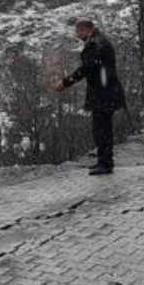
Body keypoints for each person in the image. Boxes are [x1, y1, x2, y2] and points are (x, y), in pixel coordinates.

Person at [54, 19, 126, 175]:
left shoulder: (96, 44)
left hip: (103, 94)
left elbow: (87, 67)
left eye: (78, 32)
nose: (77, 35)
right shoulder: (99, 41)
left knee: (102, 130)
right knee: (102, 129)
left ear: (85, 29)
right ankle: (103, 161)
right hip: (105, 92)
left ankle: (105, 163)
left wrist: (66, 82)